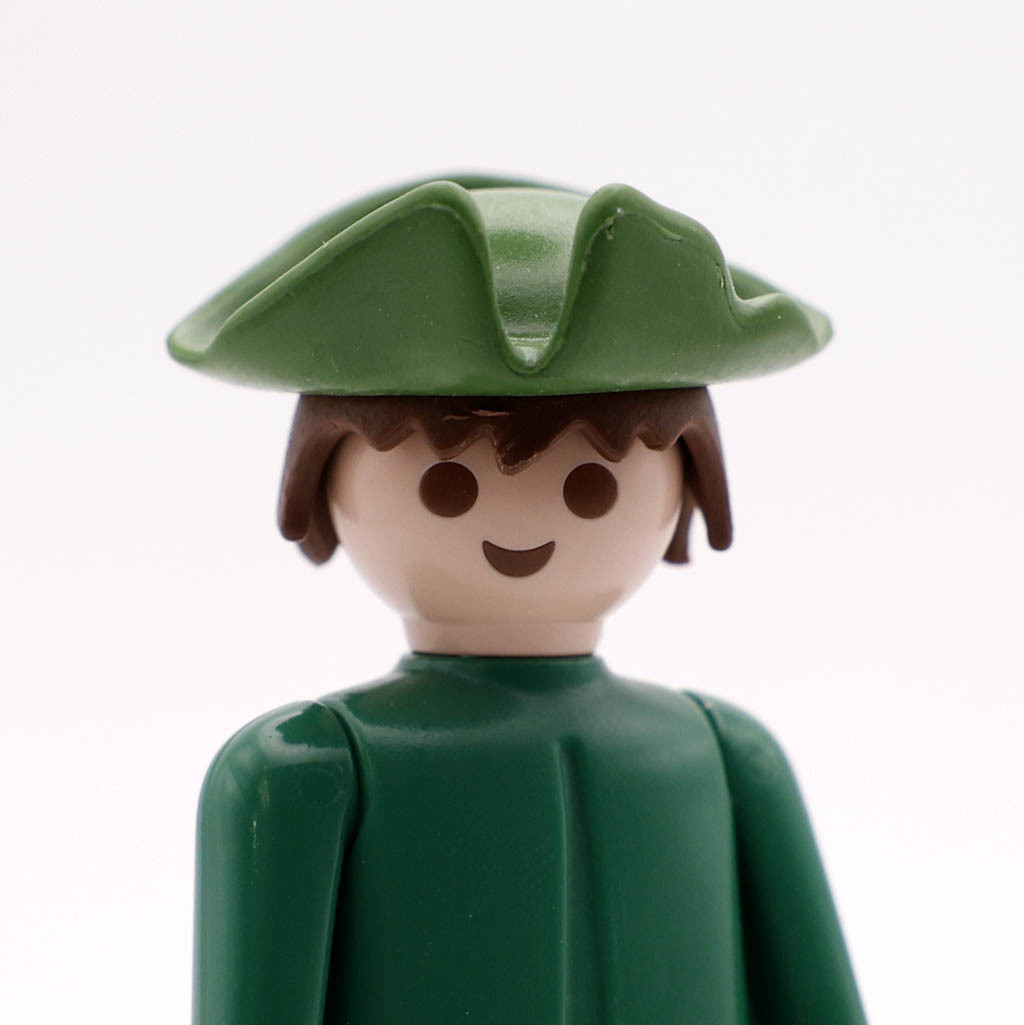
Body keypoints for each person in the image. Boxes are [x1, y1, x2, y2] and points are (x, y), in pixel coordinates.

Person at [170, 176, 867, 1025]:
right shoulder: (306, 769)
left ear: (690, 482)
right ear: (320, 486)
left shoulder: (731, 756)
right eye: (448, 486)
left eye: (589, 486)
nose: (521, 524)